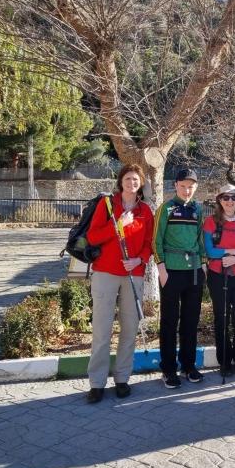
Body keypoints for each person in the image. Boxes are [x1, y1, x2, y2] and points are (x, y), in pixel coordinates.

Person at [85, 164, 154, 403]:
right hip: (105, 273)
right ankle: (97, 383)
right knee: (102, 331)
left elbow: (149, 244)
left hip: (133, 274)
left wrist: (139, 259)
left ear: (141, 184)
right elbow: (93, 237)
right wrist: (118, 226)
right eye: (127, 179)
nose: (131, 183)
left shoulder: (145, 210)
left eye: (135, 180)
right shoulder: (107, 206)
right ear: (121, 181)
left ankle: (122, 378)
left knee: (129, 329)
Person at [153, 168, 205, 388]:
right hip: (171, 272)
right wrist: (161, 268)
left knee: (191, 322)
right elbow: (156, 240)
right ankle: (168, 369)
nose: (187, 190)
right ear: (175, 186)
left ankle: (189, 365)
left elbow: (201, 239)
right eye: (183, 186)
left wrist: (203, 265)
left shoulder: (198, 210)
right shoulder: (166, 209)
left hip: (193, 272)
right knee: (169, 322)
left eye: (191, 186)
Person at [203, 184, 235, 376]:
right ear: (219, 200)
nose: (230, 202)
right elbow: (209, 250)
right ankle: (224, 361)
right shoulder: (210, 222)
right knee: (222, 318)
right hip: (218, 276)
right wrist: (231, 251)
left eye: (233, 198)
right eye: (225, 198)